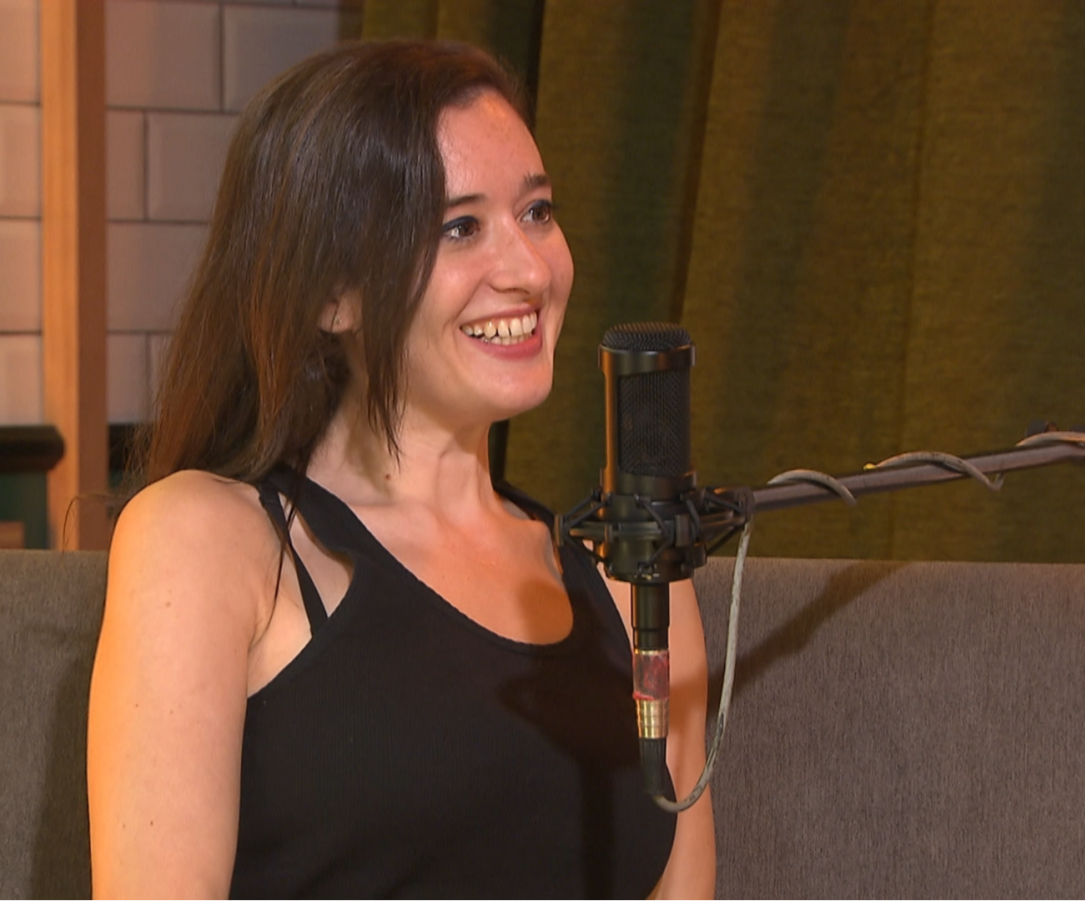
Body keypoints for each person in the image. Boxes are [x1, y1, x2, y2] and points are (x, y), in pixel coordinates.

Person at [87, 41, 714, 900]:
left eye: (536, 212)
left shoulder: (635, 574)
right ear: (329, 295)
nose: (530, 269)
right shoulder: (206, 538)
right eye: (460, 227)